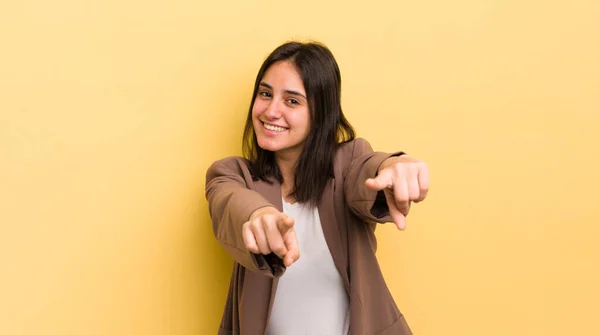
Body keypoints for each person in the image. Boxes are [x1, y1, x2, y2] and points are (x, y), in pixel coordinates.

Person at [205, 41, 429, 335]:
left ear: (320, 112)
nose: (271, 111)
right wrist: (258, 214)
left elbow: (366, 170)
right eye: (265, 93)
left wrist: (392, 166)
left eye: (292, 101)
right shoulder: (233, 174)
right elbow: (231, 203)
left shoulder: (347, 163)